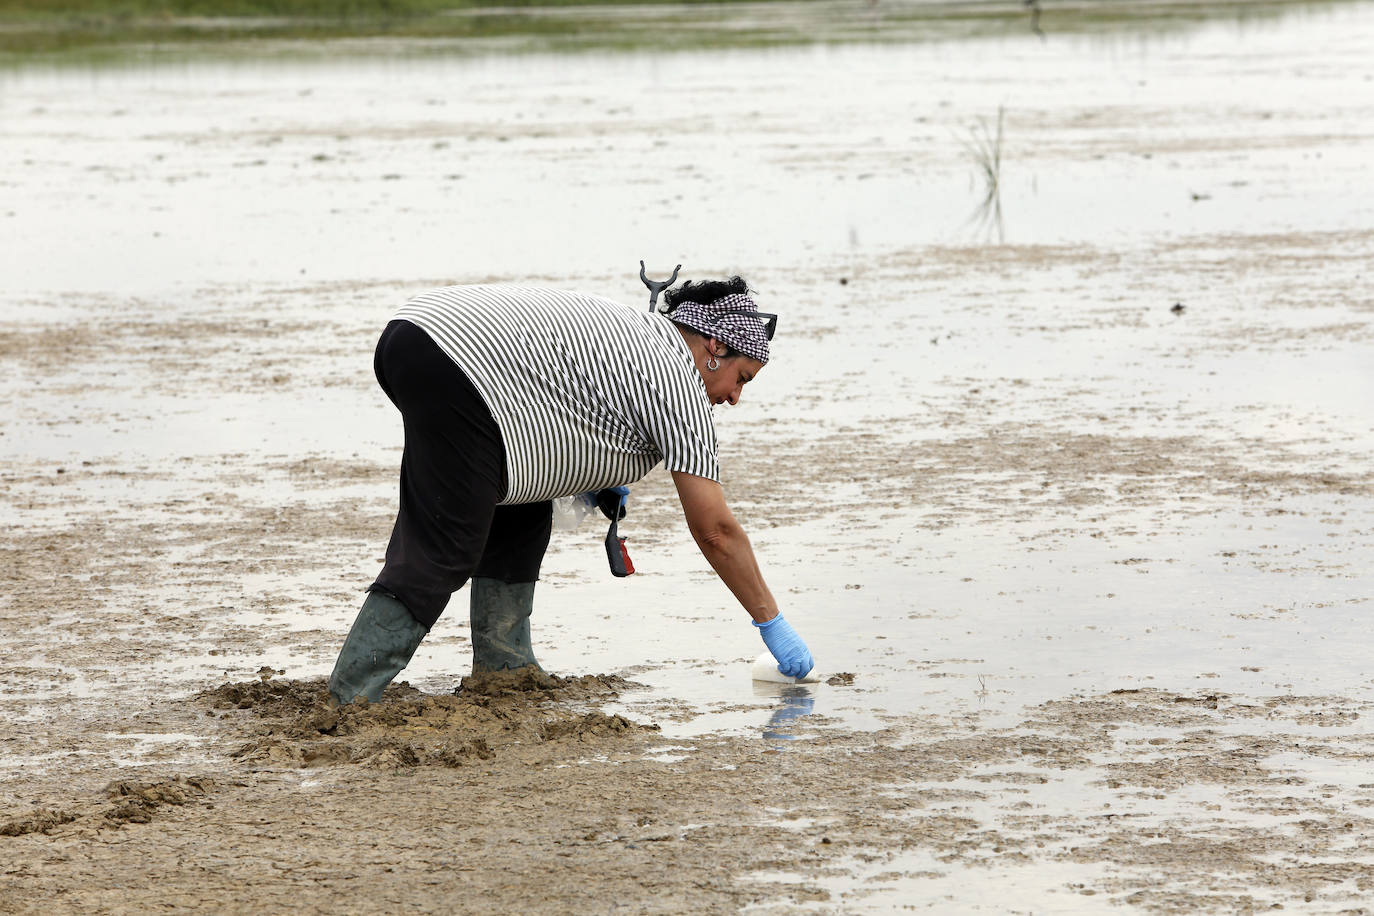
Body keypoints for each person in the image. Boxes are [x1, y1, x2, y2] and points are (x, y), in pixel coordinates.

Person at [327, 274, 814, 705]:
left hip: (422, 336)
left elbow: (576, 406)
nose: (734, 397)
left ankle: (505, 671)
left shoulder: (649, 343)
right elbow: (716, 531)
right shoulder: (678, 380)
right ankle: (350, 696)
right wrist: (772, 624)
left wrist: (595, 474)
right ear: (713, 347)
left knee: (522, 500)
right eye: (741, 378)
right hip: (451, 353)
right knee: (446, 542)